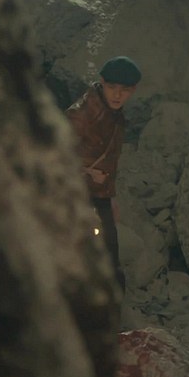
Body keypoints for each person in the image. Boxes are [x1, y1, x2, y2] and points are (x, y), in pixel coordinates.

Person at [65, 56, 141, 291]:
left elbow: (108, 159)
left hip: (98, 194)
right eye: (112, 87)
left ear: (133, 90)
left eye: (124, 90)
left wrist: (109, 196)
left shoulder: (114, 114)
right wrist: (86, 173)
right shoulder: (83, 114)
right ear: (102, 83)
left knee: (109, 261)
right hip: (75, 195)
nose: (117, 95)